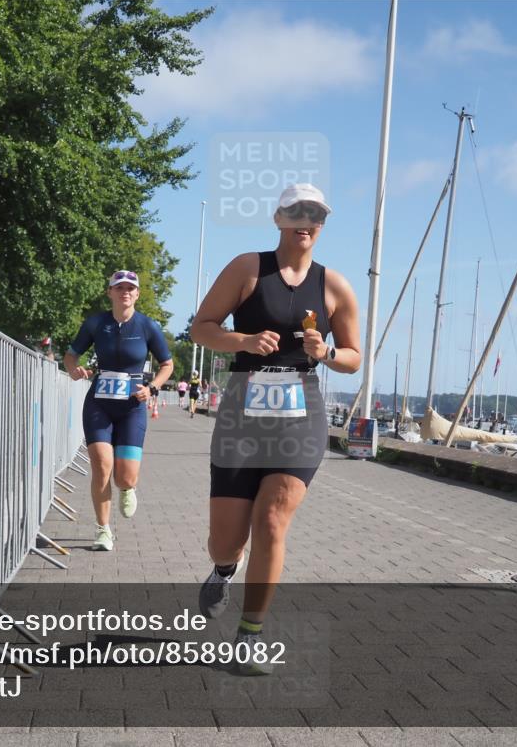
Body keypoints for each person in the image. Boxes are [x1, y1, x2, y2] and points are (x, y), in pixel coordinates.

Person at [190, 183, 360, 674]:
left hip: (300, 413)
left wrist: (327, 353)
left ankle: (250, 637)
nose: (305, 220)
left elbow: (353, 357)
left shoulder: (335, 287)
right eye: (295, 211)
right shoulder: (248, 268)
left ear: (322, 224)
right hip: (243, 407)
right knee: (225, 540)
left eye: (315, 214)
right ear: (279, 219)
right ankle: (225, 568)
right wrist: (242, 338)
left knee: (271, 522)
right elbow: (201, 327)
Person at [63, 270, 174, 551]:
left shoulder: (148, 326)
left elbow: (167, 365)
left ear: (137, 294)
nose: (125, 291)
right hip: (99, 402)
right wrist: (74, 369)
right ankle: (103, 530)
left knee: (124, 476)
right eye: (119, 287)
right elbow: (71, 355)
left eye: (130, 288)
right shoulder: (95, 323)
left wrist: (153, 388)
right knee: (101, 466)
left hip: (132, 407)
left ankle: (127, 487)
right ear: (109, 292)